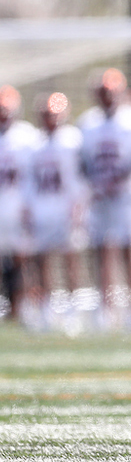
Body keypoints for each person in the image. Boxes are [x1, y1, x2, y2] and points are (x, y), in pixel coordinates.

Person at [78, 68, 131, 325]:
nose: (107, 96)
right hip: (99, 196)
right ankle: (106, 308)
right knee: (101, 251)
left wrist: (121, 180)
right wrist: (96, 184)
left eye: (111, 91)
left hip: (126, 196)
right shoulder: (88, 123)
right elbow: (82, 162)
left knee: (128, 250)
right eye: (103, 92)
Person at [24, 93, 86, 330]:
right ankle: (45, 309)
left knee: (71, 260)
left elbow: (78, 178)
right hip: (42, 208)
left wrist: (78, 205)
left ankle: (73, 309)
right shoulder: (34, 143)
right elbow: (30, 181)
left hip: (65, 207)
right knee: (43, 261)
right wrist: (28, 208)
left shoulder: (72, 141)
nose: (50, 119)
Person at [0, 86, 40, 322]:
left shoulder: (27, 137)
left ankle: (21, 304)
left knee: (21, 258)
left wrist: (30, 205)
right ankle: (7, 305)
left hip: (19, 207)